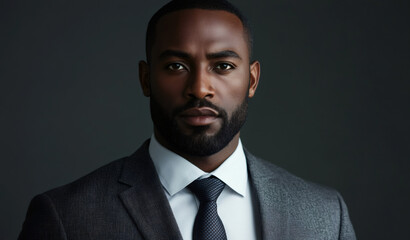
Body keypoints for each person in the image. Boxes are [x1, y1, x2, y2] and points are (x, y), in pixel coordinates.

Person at [19, 0, 356, 239]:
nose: (199, 88)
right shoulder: (66, 218)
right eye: (176, 66)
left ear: (252, 80)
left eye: (222, 66)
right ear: (146, 79)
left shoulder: (326, 217)